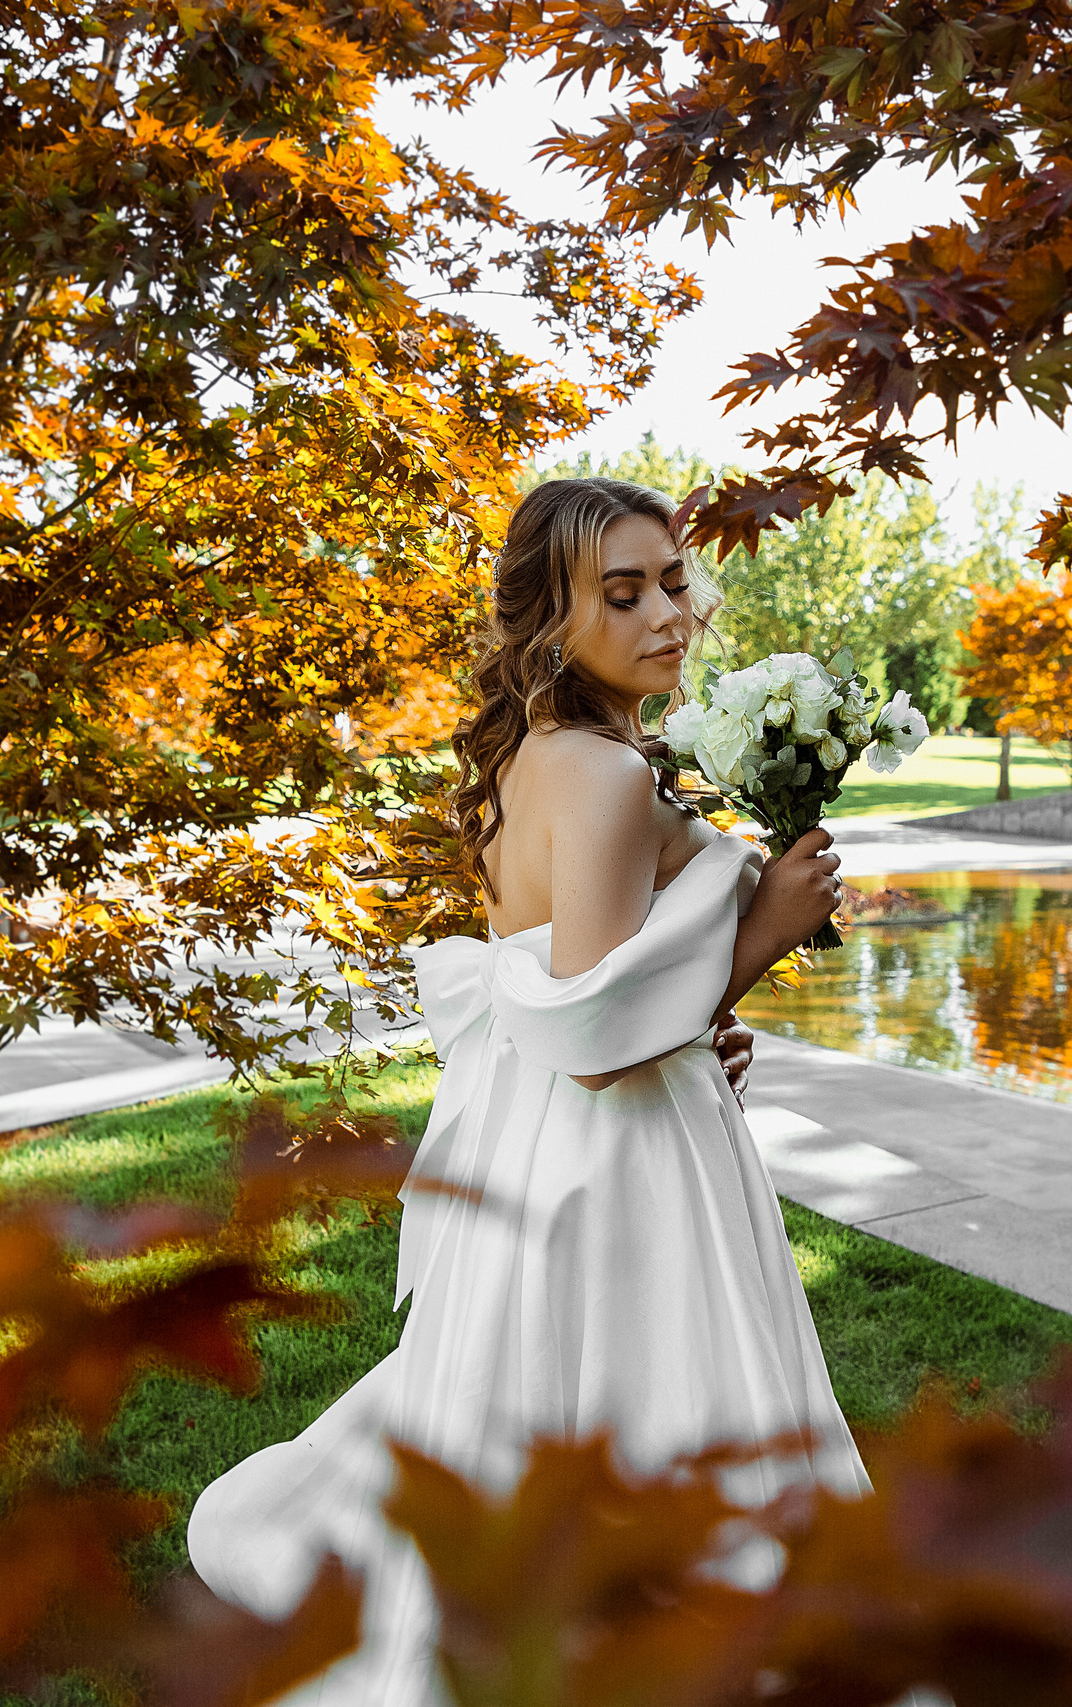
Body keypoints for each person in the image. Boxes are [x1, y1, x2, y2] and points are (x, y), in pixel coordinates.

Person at [187, 477, 868, 1700]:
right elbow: (600, 1032)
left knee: (550, 1402)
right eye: (625, 592)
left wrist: (701, 1019)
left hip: (565, 1136)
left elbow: (583, 985)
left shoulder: (546, 754)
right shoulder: (603, 776)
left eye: (673, 580)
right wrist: (764, 927)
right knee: (644, 1388)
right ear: (552, 624)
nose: (669, 611)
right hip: (615, 1157)